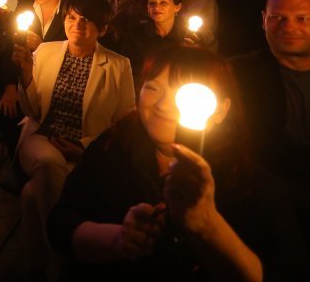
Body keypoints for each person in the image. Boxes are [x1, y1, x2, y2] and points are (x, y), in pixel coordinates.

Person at [48, 45, 308, 281]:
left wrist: (209, 225)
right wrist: (119, 240)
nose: (162, 104)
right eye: (152, 87)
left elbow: (285, 270)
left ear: (219, 110)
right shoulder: (113, 147)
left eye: (183, 93)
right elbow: (60, 224)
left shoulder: (251, 183)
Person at [12, 0, 136, 277]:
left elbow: (124, 122)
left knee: (32, 194)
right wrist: (26, 75)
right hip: (42, 138)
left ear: (103, 28)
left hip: (84, 151)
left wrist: (85, 148)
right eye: (72, 18)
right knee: (48, 163)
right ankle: (62, 254)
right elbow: (32, 111)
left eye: (87, 21)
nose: (77, 26)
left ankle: (37, 264)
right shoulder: (46, 51)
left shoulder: (118, 65)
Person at [231, 0, 310, 251]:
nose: (289, 27)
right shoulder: (236, 74)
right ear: (263, 20)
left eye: (303, 18)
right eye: (278, 17)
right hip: (264, 210)